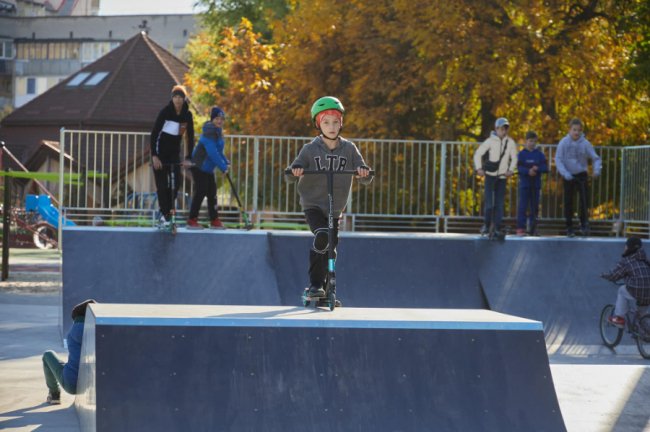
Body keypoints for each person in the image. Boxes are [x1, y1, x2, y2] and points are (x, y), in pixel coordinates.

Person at [285, 96, 372, 298]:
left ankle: (326, 288)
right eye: (326, 122)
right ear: (318, 124)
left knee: (331, 248)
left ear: (341, 124)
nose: (331, 127)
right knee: (322, 235)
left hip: (336, 208)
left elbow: (364, 176)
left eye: (335, 122)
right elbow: (290, 174)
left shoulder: (349, 149)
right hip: (313, 204)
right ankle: (315, 284)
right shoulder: (309, 149)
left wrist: (363, 172)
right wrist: (296, 170)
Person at [150, 85, 195, 227]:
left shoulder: (187, 115)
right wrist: (154, 156)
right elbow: (154, 134)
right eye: (175, 97)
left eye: (180, 97)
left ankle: (167, 214)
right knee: (162, 187)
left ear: (184, 99)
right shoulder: (165, 112)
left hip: (174, 155)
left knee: (175, 186)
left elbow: (190, 137)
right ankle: (165, 216)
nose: (177, 100)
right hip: (160, 154)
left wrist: (188, 158)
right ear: (172, 98)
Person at [42, 299, 96, 405]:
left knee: (47, 355)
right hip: (92, 383)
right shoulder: (98, 331)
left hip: (72, 383)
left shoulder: (74, 331)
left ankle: (54, 395)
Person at [554, 118, 601, 237]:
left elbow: (595, 158)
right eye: (574, 130)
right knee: (568, 201)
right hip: (568, 175)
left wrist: (596, 170)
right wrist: (565, 173)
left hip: (581, 175)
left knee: (584, 200)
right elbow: (558, 159)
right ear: (569, 130)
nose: (576, 132)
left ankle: (584, 223)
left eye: (579, 130)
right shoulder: (564, 142)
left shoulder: (585, 143)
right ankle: (569, 227)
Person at [473, 117, 518, 238]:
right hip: (490, 176)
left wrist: (511, 170)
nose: (504, 131)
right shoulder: (490, 141)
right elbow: (478, 154)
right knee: (489, 204)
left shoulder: (510, 142)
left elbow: (514, 158)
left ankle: (497, 227)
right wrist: (479, 168)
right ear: (496, 129)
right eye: (501, 129)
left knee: (499, 204)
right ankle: (486, 225)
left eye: (506, 129)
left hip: (502, 177)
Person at [187, 106, 229, 229]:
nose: (220, 121)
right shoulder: (208, 133)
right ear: (212, 120)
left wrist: (226, 162)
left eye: (222, 119)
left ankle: (214, 220)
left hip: (208, 169)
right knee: (201, 191)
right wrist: (222, 167)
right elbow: (212, 153)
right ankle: (192, 220)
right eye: (217, 118)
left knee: (212, 193)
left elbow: (219, 152)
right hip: (199, 167)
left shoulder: (218, 133)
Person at [600, 238, 650, 327]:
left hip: (637, 290)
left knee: (622, 290)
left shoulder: (627, 261)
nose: (624, 248)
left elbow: (614, 275)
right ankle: (645, 331)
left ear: (629, 248)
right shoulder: (646, 261)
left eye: (626, 246)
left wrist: (604, 275)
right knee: (641, 314)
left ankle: (619, 318)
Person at [516, 131, 548, 236]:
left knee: (534, 207)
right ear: (526, 141)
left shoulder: (539, 154)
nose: (532, 143)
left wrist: (537, 169)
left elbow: (545, 168)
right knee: (523, 206)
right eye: (530, 141)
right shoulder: (521, 154)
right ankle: (521, 228)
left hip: (536, 185)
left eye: (534, 141)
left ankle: (533, 228)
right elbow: (519, 168)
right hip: (525, 184)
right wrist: (528, 171)